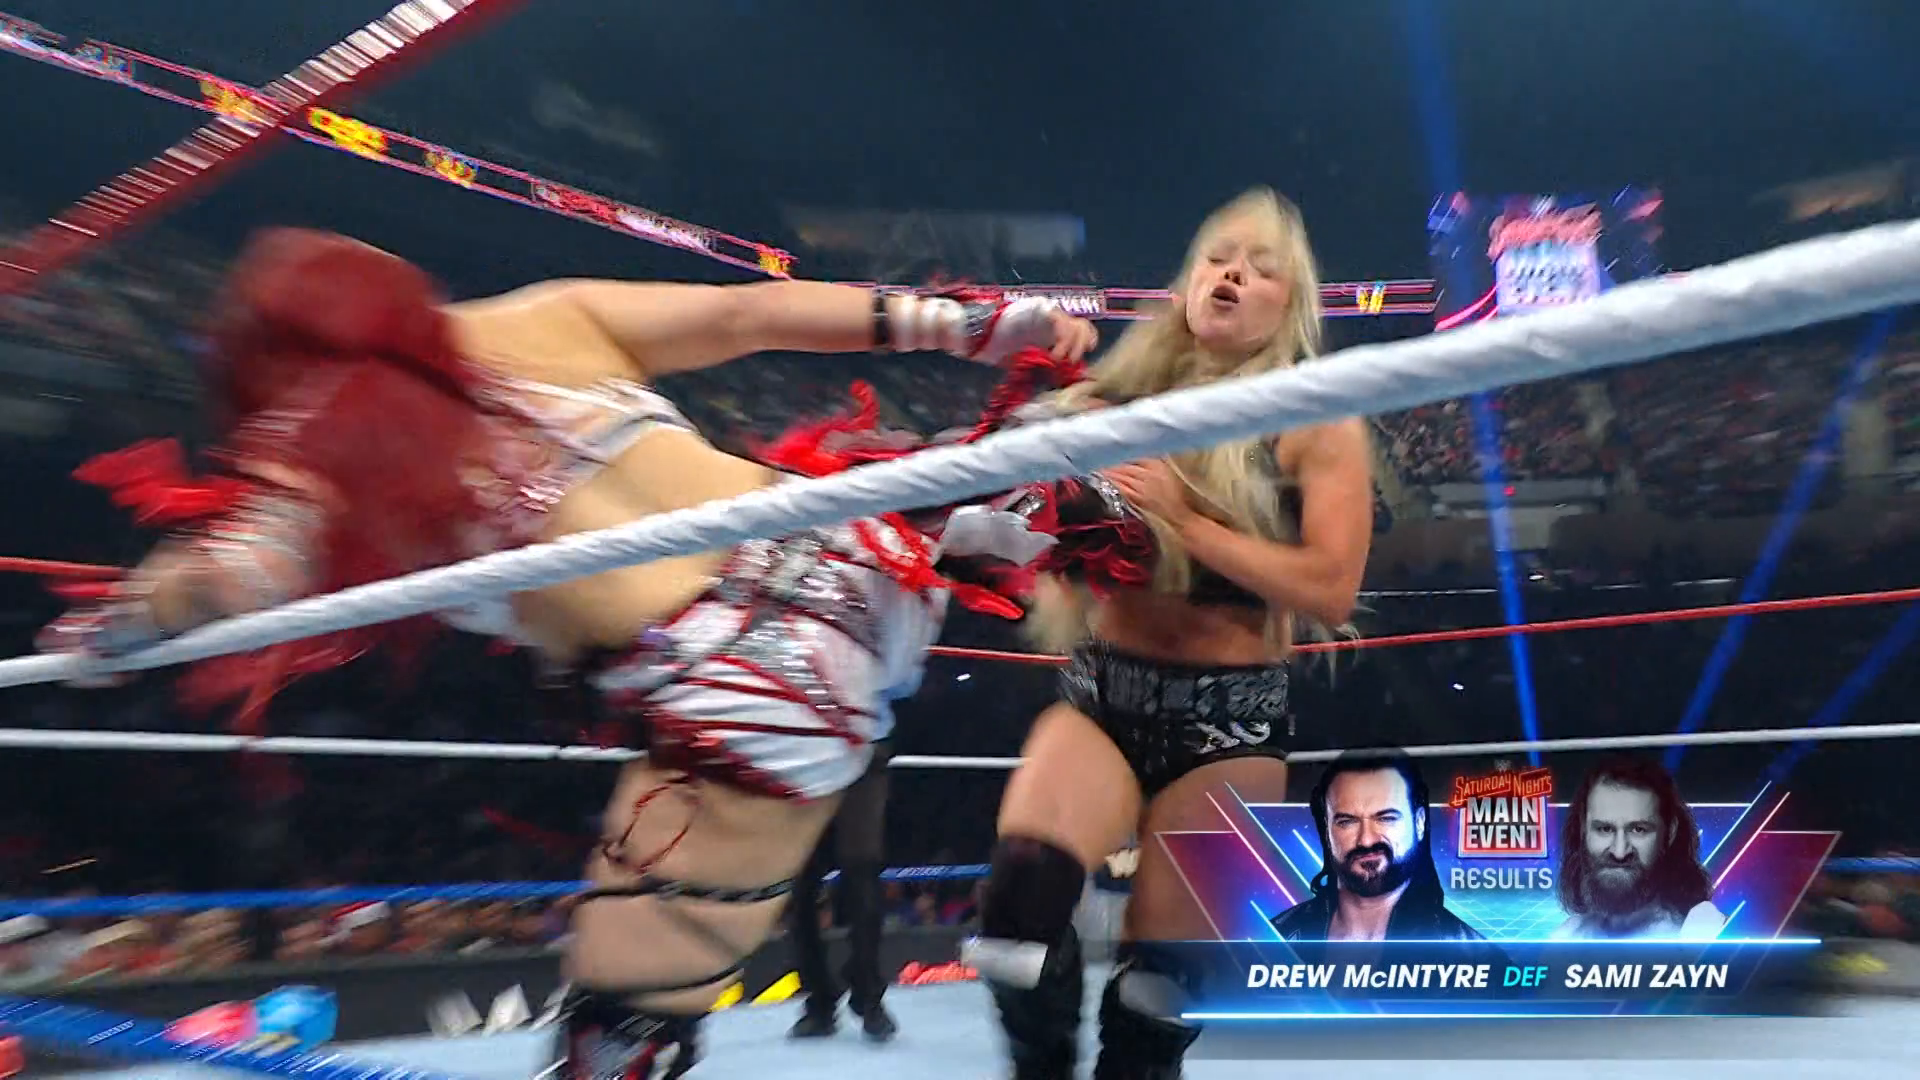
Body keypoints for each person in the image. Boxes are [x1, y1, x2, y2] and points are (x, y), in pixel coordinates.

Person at [34, 227, 1098, 1079]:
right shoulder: (530, 319)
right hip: (854, 545)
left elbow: (231, 579)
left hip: (757, 679)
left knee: (623, 1019)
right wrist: (969, 325)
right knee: (1020, 502)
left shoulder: (319, 457)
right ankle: (1056, 484)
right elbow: (746, 313)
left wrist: (109, 628)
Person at [959, 189, 1376, 1080]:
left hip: (1229, 723)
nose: (1233, 275)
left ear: (1288, 307)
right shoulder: (1113, 400)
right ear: (1187, 282)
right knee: (1016, 912)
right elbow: (1006, 508)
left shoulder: (1316, 418)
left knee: (1163, 991)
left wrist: (1188, 523)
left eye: (1261, 270)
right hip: (1106, 693)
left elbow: (1332, 588)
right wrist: (1036, 412)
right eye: (1219, 258)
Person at [785, 689, 904, 1043]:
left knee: (862, 873)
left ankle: (868, 994)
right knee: (801, 881)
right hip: (804, 751)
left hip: (861, 749)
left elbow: (906, 678)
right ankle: (820, 1000)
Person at [1268, 751, 1484, 942]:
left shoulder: (1473, 954)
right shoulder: (1275, 937)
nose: (1366, 840)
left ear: (1419, 823)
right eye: (1347, 822)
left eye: (1386, 818)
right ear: (1326, 829)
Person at [1552, 757, 1726, 941]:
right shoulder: (1568, 936)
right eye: (1604, 829)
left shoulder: (1703, 933)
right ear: (1583, 829)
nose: (1620, 852)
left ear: (1670, 832)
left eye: (1638, 830)